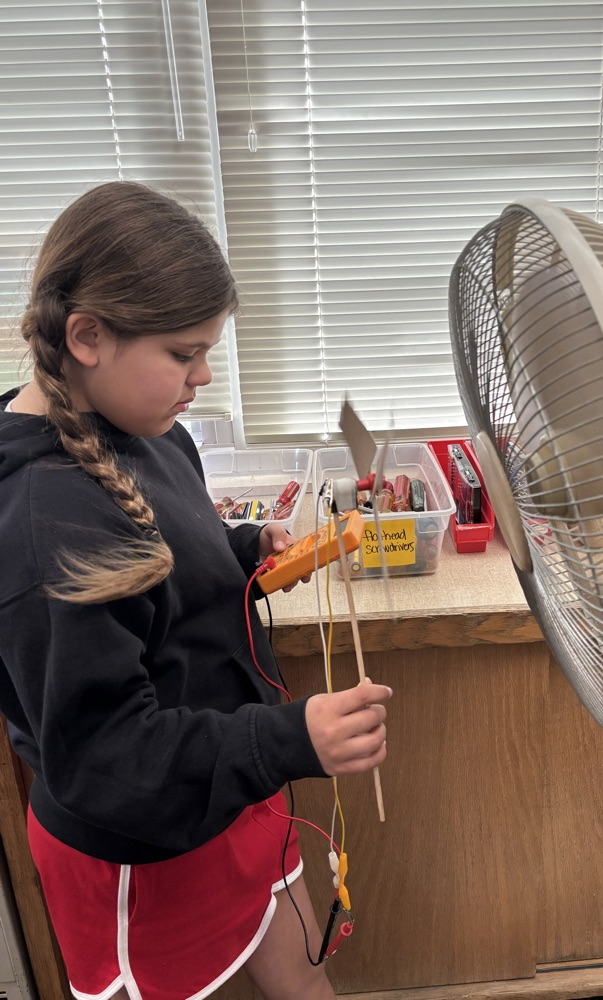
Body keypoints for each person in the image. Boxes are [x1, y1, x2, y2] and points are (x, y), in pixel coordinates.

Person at [0, 181, 391, 1000]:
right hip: (137, 845)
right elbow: (107, 760)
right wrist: (290, 741)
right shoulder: (48, 529)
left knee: (294, 962)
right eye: (184, 353)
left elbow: (162, 559)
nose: (204, 375)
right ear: (88, 337)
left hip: (223, 783)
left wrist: (242, 550)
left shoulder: (147, 428)